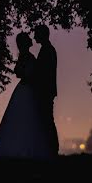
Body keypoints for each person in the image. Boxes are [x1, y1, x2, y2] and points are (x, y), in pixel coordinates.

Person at [0, 32, 54, 158]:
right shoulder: (27, 56)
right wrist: (29, 75)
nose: (32, 39)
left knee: (25, 117)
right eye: (29, 38)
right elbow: (20, 71)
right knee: (27, 117)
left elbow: (19, 71)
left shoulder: (26, 55)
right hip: (27, 88)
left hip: (26, 88)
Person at [33, 24, 59, 155]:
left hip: (45, 91)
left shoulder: (47, 50)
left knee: (47, 120)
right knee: (47, 119)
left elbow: (44, 73)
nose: (34, 37)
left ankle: (52, 149)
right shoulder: (47, 49)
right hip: (47, 90)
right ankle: (50, 148)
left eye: (36, 34)